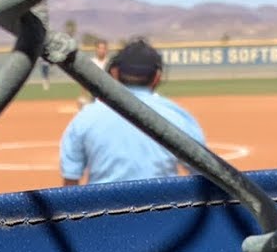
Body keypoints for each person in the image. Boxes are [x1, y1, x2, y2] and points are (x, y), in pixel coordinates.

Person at [59, 39, 204, 186]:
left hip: (105, 201)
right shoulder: (177, 116)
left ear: (114, 73)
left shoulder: (86, 117)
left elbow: (70, 180)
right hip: (161, 201)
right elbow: (203, 174)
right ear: (157, 77)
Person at [76, 39, 110, 110]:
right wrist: (83, 95)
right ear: (96, 50)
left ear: (107, 50)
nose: (101, 50)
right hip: (95, 94)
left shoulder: (110, 63)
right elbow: (85, 79)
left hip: (108, 94)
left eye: (104, 48)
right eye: (99, 48)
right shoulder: (91, 62)